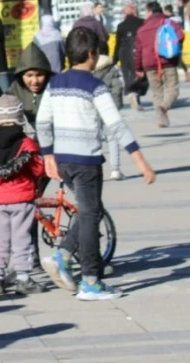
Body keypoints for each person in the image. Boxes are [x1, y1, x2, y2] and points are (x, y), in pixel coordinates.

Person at [38, 27, 156, 301]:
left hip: (63, 159)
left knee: (90, 210)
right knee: (90, 216)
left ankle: (63, 255)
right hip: (86, 161)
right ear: (92, 55)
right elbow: (116, 125)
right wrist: (141, 161)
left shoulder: (54, 84)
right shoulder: (95, 86)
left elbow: (43, 122)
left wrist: (48, 155)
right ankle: (90, 280)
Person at [0, 95, 46, 296]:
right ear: (20, 116)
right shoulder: (26, 144)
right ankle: (23, 278)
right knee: (22, 239)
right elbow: (39, 169)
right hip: (22, 199)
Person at [134, 2, 184, 128]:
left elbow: (138, 51)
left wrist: (138, 68)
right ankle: (164, 106)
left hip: (149, 64)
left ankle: (162, 120)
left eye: (145, 12)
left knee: (157, 93)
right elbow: (180, 36)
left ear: (150, 11)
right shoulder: (170, 23)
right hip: (168, 60)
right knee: (172, 89)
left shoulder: (142, 29)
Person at [3, 43, 54, 133]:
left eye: (39, 75)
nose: (35, 81)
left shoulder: (55, 88)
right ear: (21, 74)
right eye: (29, 75)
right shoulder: (14, 91)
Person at [91, 42, 125, 179]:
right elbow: (118, 87)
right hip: (110, 107)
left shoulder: (89, 69)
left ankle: (94, 169)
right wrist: (117, 105)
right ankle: (115, 170)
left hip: (93, 108)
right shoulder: (113, 68)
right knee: (113, 138)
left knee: (94, 139)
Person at [113, 4, 145, 109]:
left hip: (124, 53)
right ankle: (136, 97)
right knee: (138, 74)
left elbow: (118, 43)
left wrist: (115, 58)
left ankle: (131, 94)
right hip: (137, 52)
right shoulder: (142, 22)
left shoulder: (121, 26)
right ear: (135, 12)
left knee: (127, 75)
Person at [163, 5, 190, 82]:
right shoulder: (177, 19)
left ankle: (184, 73)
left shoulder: (169, 20)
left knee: (175, 59)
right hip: (179, 41)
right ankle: (185, 72)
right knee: (178, 59)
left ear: (168, 11)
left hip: (172, 41)